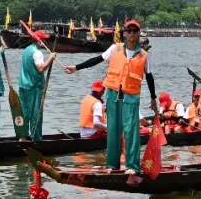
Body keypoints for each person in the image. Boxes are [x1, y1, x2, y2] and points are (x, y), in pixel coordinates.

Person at [64, 20, 158, 173]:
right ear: (125, 33)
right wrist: (76, 67)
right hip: (113, 95)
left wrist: (153, 99)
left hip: (131, 97)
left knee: (131, 132)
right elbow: (97, 60)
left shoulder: (144, 55)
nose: (132, 33)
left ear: (139, 33)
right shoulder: (115, 48)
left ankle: (132, 166)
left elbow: (149, 77)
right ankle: (112, 166)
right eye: (129, 30)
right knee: (113, 131)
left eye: (135, 31)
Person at [19, 30, 56, 141]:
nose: (45, 41)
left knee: (24, 113)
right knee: (36, 113)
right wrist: (51, 58)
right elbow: (41, 68)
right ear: (39, 40)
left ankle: (23, 136)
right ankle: (36, 138)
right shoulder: (37, 53)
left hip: (23, 85)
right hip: (34, 87)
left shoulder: (26, 50)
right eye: (43, 39)